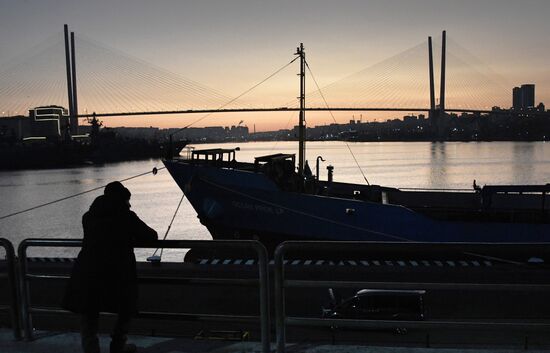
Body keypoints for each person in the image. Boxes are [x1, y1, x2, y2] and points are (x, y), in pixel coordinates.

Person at [63, 181, 158, 353]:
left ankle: (91, 349)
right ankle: (117, 347)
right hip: (118, 274)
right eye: (127, 201)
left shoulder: (88, 217)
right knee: (125, 310)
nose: (129, 204)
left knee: (89, 313)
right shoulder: (127, 217)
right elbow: (151, 236)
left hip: (87, 272)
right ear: (122, 200)